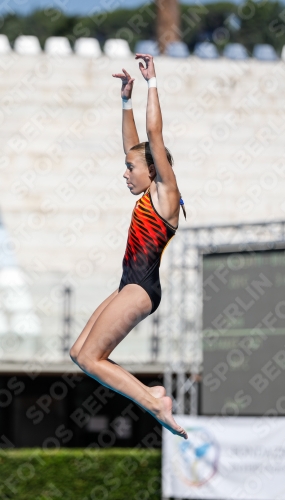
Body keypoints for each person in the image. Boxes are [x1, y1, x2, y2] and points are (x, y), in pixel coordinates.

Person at [69, 53, 188, 440]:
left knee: (91, 357)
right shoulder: (146, 186)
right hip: (128, 285)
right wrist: (125, 99)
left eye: (131, 168)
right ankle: (149, 394)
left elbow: (154, 137)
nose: (125, 173)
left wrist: (153, 82)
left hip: (140, 289)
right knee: (78, 353)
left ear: (152, 170)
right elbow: (135, 143)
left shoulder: (166, 194)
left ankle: (155, 402)